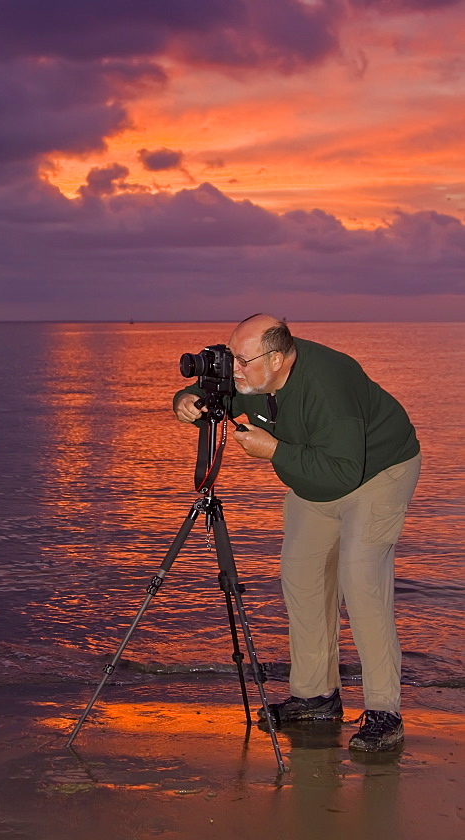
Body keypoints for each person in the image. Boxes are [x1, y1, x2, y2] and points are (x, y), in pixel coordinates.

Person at [173, 314, 421, 753]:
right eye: (230, 357)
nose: (234, 369)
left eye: (242, 361)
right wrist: (187, 401)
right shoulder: (254, 373)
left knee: (361, 582)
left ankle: (385, 711)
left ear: (276, 359)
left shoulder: (328, 386)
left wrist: (274, 451)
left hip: (378, 471)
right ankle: (316, 697)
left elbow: (344, 474)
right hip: (314, 475)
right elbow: (214, 395)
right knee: (302, 580)